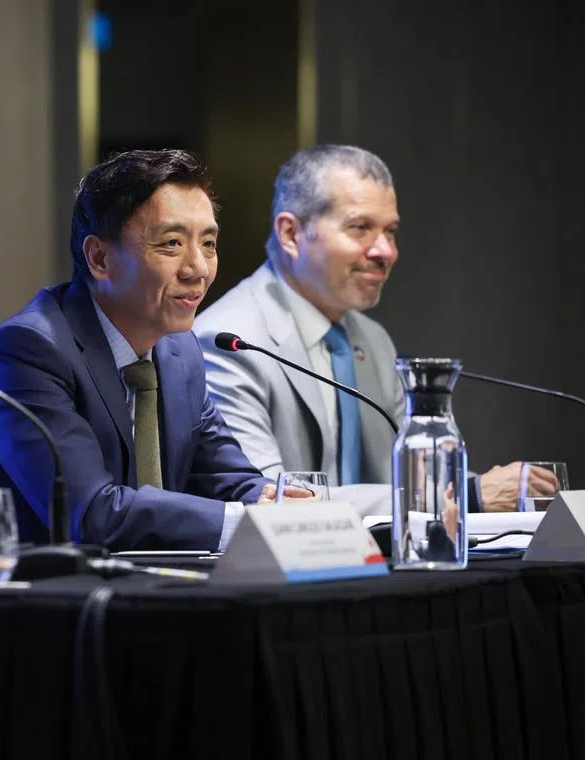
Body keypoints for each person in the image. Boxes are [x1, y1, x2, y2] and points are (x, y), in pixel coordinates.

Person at [0, 149, 289, 553]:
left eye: (208, 243)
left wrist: (279, 503)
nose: (198, 268)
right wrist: (247, 521)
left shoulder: (179, 351)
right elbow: (92, 514)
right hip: (8, 602)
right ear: (100, 258)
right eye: (172, 244)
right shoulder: (27, 352)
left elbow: (230, 479)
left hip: (128, 595)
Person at [193, 144, 553, 514]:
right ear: (291, 234)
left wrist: (506, 491)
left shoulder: (372, 340)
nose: (385, 251)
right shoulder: (229, 341)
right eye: (360, 228)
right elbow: (270, 498)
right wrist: (468, 495)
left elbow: (417, 479)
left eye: (391, 231)